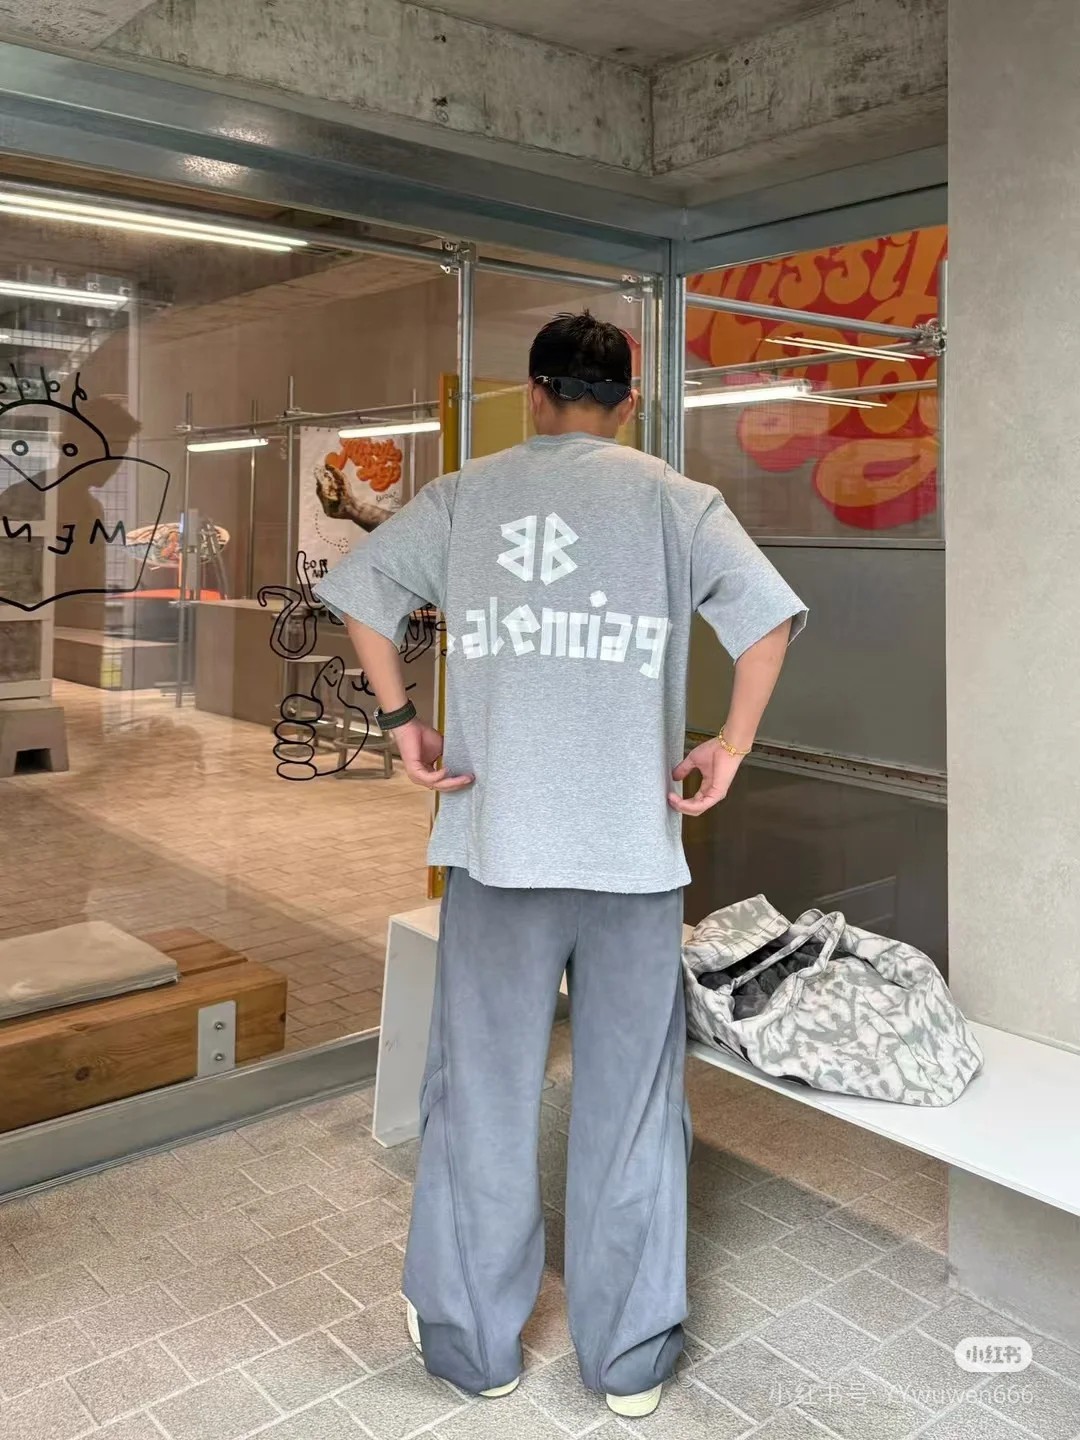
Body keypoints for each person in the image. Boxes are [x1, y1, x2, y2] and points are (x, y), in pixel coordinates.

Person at [314, 312, 806, 1417]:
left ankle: (471, 1345)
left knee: (481, 1094)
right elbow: (768, 624)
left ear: (534, 395)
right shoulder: (679, 503)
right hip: (634, 858)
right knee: (632, 1104)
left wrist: (400, 723)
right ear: (629, 403)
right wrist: (727, 748)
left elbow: (362, 596)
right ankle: (628, 1359)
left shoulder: (466, 497)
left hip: (498, 850)